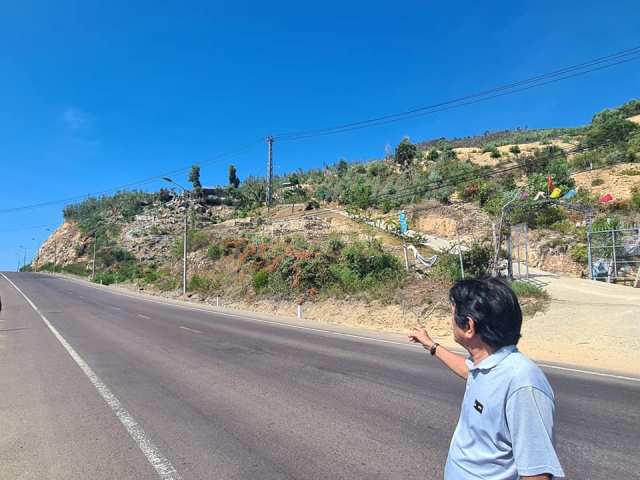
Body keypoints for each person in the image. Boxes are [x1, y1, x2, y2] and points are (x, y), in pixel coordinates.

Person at [409, 277, 564, 480]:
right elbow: (467, 371)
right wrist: (431, 345)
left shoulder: (522, 382)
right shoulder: (487, 364)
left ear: (469, 326)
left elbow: (537, 473)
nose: (450, 320)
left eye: (452, 314)